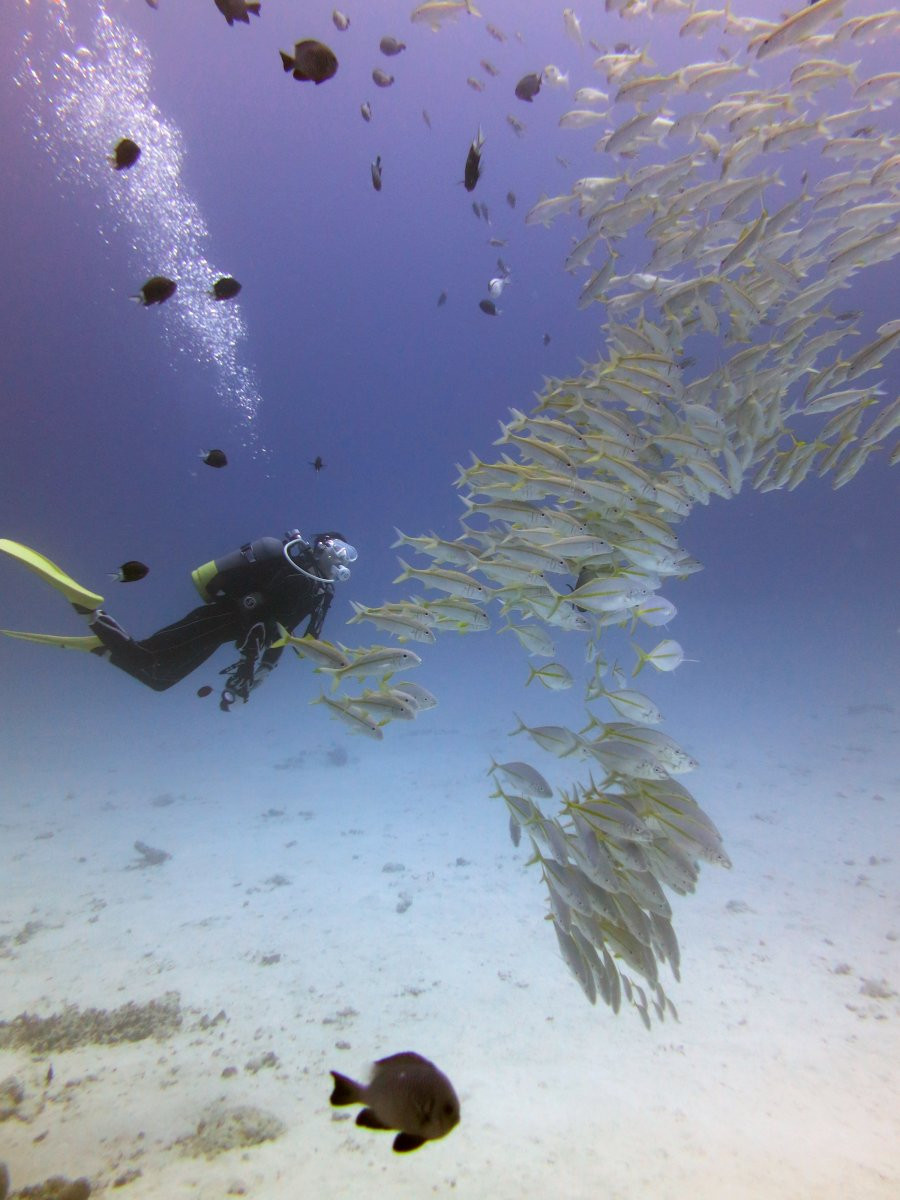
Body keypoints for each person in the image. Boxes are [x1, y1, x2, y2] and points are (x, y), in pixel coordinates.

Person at [0, 531, 356, 711]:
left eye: (346, 557)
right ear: (321, 545)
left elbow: (286, 635)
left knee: (159, 680)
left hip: (229, 635)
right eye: (338, 551)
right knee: (145, 657)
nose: (340, 560)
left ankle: (104, 648)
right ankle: (91, 611)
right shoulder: (283, 562)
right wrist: (250, 652)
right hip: (218, 616)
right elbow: (249, 605)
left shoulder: (318, 592)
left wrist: (259, 674)